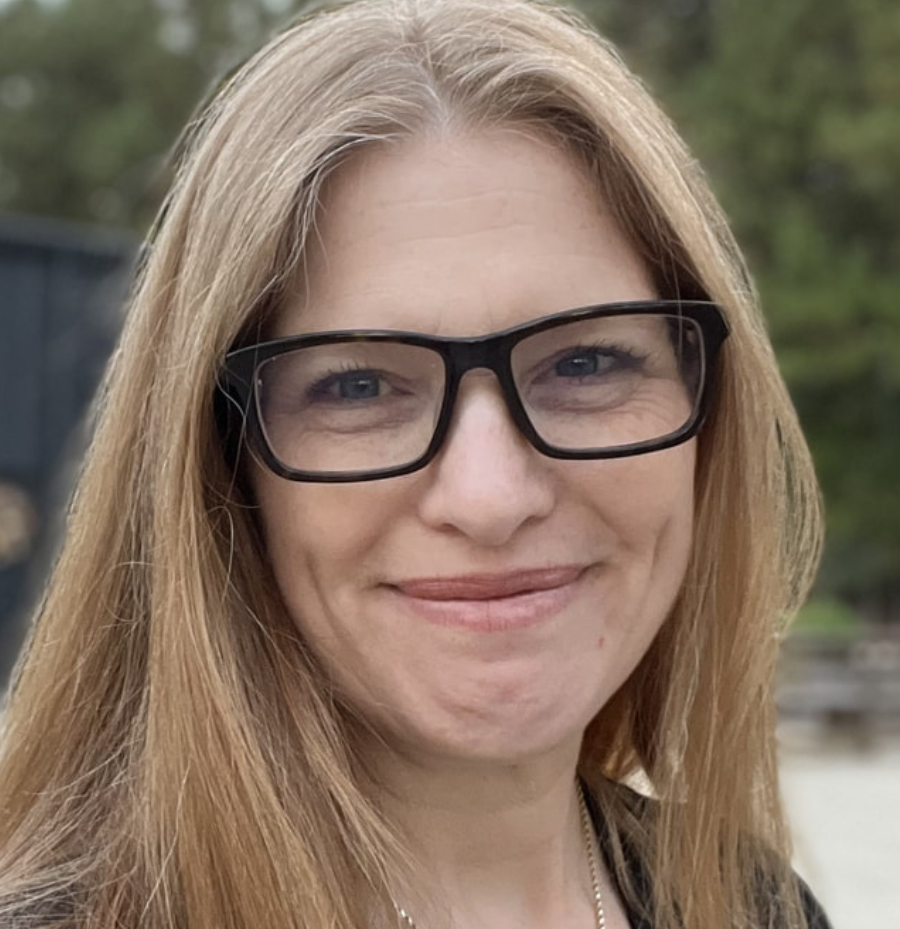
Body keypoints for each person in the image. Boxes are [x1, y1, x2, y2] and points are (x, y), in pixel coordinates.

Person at [0, 1, 832, 927]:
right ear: (219, 468)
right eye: (356, 387)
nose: (491, 496)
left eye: (587, 363)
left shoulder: (754, 905)